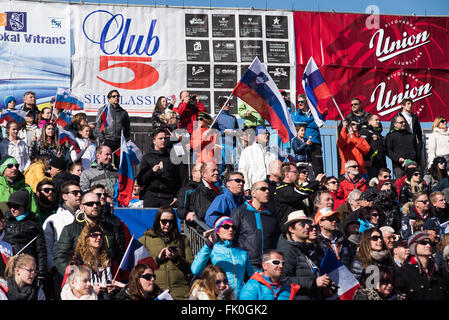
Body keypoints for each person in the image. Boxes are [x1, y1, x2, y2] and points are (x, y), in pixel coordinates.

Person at [53, 192, 125, 277]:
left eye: (97, 203)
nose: (95, 206)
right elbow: (60, 257)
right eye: (90, 204)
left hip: (106, 280)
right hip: (80, 281)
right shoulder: (70, 229)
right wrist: (74, 276)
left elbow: (119, 255)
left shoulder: (111, 228)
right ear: (81, 207)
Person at [191, 216, 253, 299]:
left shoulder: (243, 253)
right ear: (217, 231)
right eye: (226, 227)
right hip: (219, 296)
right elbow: (195, 270)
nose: (230, 230)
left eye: (233, 227)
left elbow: (252, 277)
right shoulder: (212, 249)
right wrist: (208, 245)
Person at [276, 210, 334, 300]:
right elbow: (283, 279)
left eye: (308, 223)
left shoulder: (307, 249)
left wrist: (324, 285)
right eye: (302, 224)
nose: (307, 227)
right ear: (291, 229)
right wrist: (313, 282)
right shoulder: (287, 250)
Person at [139, 206, 193, 300]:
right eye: (164, 221)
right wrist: (157, 260)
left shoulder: (182, 240)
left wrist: (177, 259)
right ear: (158, 221)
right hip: (157, 292)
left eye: (171, 222)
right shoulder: (146, 239)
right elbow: (139, 269)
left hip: (181, 292)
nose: (168, 224)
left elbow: (191, 268)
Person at [231, 181, 280, 271]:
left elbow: (276, 238)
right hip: (247, 263)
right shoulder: (240, 212)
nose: (267, 191)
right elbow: (232, 236)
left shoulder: (271, 214)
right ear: (253, 193)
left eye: (268, 189)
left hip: (268, 264)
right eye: (263, 189)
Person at [3, 190, 47, 283]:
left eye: (16, 206)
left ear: (25, 207)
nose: (12, 209)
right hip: (8, 264)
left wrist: (41, 273)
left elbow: (41, 250)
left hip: (28, 267)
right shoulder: (5, 221)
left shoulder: (34, 224)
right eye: (10, 206)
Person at [395, 231, 449, 300]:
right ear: (413, 246)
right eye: (423, 243)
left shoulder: (438, 270)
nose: (428, 245)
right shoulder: (404, 272)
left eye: (429, 243)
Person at [136, 128, 180, 207]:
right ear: (154, 141)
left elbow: (178, 180)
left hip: (168, 198)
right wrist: (152, 171)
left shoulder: (172, 158)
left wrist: (176, 196)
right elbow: (140, 181)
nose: (163, 140)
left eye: (165, 138)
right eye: (160, 138)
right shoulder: (147, 157)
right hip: (151, 197)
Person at [274, 162, 321, 227]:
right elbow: (302, 192)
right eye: (295, 172)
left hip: (301, 226)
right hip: (288, 229)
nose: (298, 174)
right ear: (287, 174)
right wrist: (317, 182)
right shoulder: (281, 189)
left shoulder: (293, 188)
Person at [94, 90, 131, 168]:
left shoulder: (123, 112)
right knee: (105, 162)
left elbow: (127, 129)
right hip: (107, 140)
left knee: (120, 164)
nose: (116, 98)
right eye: (114, 96)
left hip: (119, 142)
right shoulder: (103, 110)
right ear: (109, 99)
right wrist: (102, 139)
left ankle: (119, 179)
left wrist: (126, 140)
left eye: (118, 96)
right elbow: (98, 126)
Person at [291, 94, 325, 175]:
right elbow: (296, 123)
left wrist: (304, 123)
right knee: (305, 169)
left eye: (302, 101)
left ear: (306, 102)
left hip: (315, 143)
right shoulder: (296, 114)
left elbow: (318, 123)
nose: (299, 103)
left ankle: (319, 185)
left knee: (318, 167)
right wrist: (310, 120)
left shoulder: (315, 113)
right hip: (303, 143)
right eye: (298, 102)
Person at [238, 126, 278, 193]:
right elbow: (243, 170)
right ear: (256, 137)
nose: (267, 135)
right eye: (264, 133)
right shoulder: (248, 151)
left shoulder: (273, 152)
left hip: (271, 189)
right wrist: (246, 188)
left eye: (268, 133)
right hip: (255, 189)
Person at [389, 98, 423, 166]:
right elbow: (392, 131)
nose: (410, 106)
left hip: (412, 143)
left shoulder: (414, 117)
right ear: (402, 105)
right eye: (408, 104)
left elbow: (419, 132)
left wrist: (419, 142)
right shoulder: (397, 117)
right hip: (401, 143)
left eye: (411, 104)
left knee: (414, 167)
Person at [212, 96, 240, 173]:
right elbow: (212, 132)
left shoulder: (233, 118)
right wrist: (223, 132)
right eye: (226, 104)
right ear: (221, 105)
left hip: (233, 145)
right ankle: (220, 183)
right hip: (222, 145)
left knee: (233, 167)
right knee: (223, 167)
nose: (228, 105)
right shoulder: (217, 117)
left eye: (229, 104)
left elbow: (238, 131)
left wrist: (235, 132)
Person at [386, 114, 419, 178]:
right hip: (399, 166)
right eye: (401, 122)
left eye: (404, 122)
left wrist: (413, 158)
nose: (403, 123)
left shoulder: (411, 135)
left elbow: (416, 149)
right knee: (400, 184)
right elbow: (388, 151)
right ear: (395, 124)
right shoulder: (391, 135)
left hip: (412, 164)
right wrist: (398, 158)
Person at [189, 162, 221, 227]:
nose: (217, 173)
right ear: (204, 174)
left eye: (217, 170)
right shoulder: (201, 190)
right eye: (213, 170)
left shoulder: (217, 189)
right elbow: (202, 213)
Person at [359, 113, 387, 180]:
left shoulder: (378, 134)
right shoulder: (365, 131)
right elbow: (363, 146)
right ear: (370, 122)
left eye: (379, 120)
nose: (378, 122)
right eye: (376, 120)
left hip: (381, 164)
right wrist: (366, 159)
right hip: (371, 163)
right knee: (372, 182)